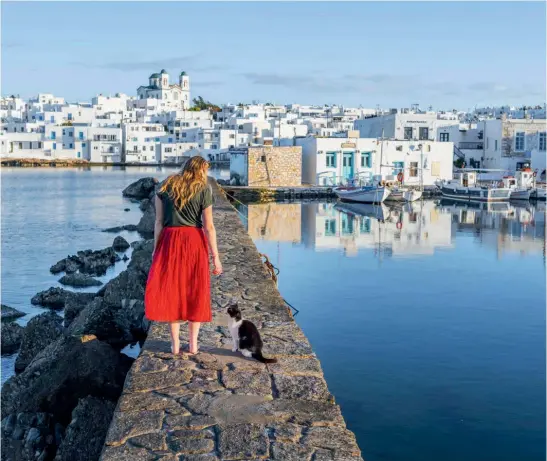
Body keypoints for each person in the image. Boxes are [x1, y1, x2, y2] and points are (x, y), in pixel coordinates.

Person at [144, 157, 222, 355]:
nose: (206, 173)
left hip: (170, 240)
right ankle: (194, 345)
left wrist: (156, 248)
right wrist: (216, 256)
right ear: (200, 170)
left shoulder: (166, 185)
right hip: (194, 241)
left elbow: (159, 222)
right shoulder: (204, 189)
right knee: (195, 290)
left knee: (173, 290)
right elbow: (209, 226)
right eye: (205, 170)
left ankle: (175, 345)